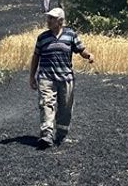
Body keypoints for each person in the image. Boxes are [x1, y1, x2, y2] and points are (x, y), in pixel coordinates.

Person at [29, 8, 93, 148]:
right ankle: (47, 134)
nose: (48, 20)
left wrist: (88, 56)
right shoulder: (42, 37)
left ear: (60, 21)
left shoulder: (70, 35)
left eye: (52, 18)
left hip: (66, 78)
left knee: (65, 107)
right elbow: (36, 57)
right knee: (46, 103)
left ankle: (61, 134)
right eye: (48, 18)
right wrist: (32, 76)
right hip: (46, 77)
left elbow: (80, 49)